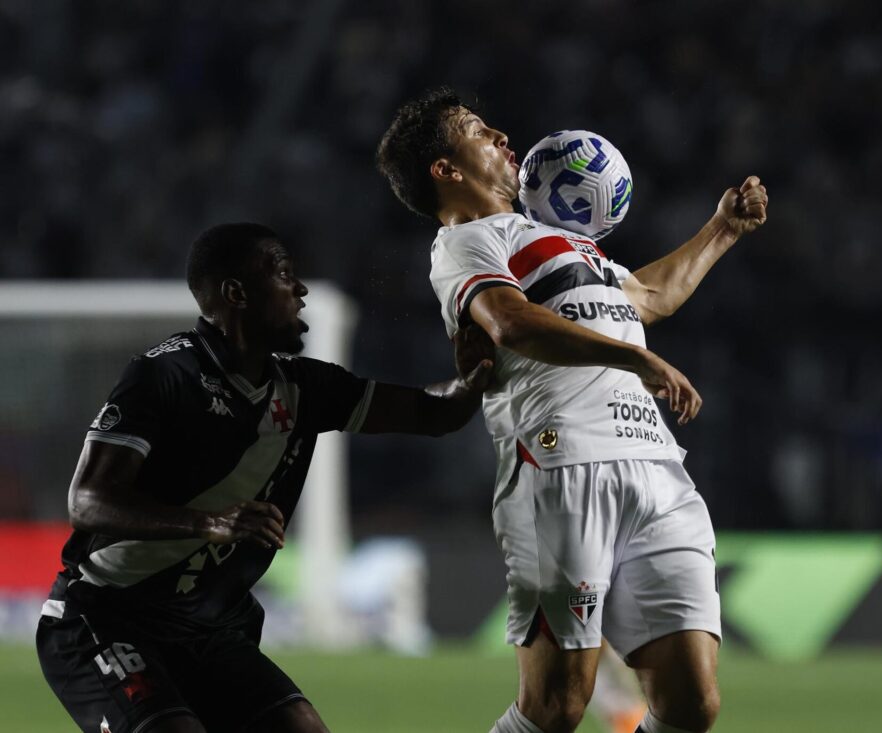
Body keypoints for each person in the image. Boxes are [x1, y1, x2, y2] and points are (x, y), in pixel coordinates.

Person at [377, 88, 767, 733]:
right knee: (557, 706)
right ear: (445, 170)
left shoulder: (563, 243)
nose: (501, 134)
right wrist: (636, 361)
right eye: (477, 129)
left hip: (655, 466)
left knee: (691, 704)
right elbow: (509, 320)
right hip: (561, 463)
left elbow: (646, 298)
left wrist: (723, 228)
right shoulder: (465, 243)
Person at [36, 222, 493, 733]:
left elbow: (432, 414)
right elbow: (88, 501)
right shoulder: (163, 376)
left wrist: (474, 376)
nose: (299, 290)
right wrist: (207, 522)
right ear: (237, 293)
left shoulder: (307, 387)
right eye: (282, 273)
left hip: (209, 629)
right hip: (108, 618)